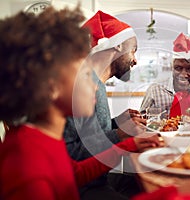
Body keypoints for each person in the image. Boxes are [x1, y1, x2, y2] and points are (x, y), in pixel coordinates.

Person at [0, 6, 160, 200]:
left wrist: (129, 144)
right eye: (84, 75)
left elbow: (74, 173)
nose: (95, 86)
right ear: (51, 85)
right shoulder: (30, 174)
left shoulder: (44, 137)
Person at [63, 10, 147, 200]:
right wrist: (118, 134)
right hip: (83, 188)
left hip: (99, 177)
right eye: (133, 50)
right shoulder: (80, 85)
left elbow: (86, 132)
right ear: (117, 46)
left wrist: (118, 122)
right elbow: (68, 155)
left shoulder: (95, 83)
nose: (135, 60)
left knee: (140, 180)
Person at [140, 33, 190, 116]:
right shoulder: (155, 90)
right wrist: (155, 118)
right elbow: (139, 120)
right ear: (172, 67)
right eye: (178, 68)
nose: (183, 75)